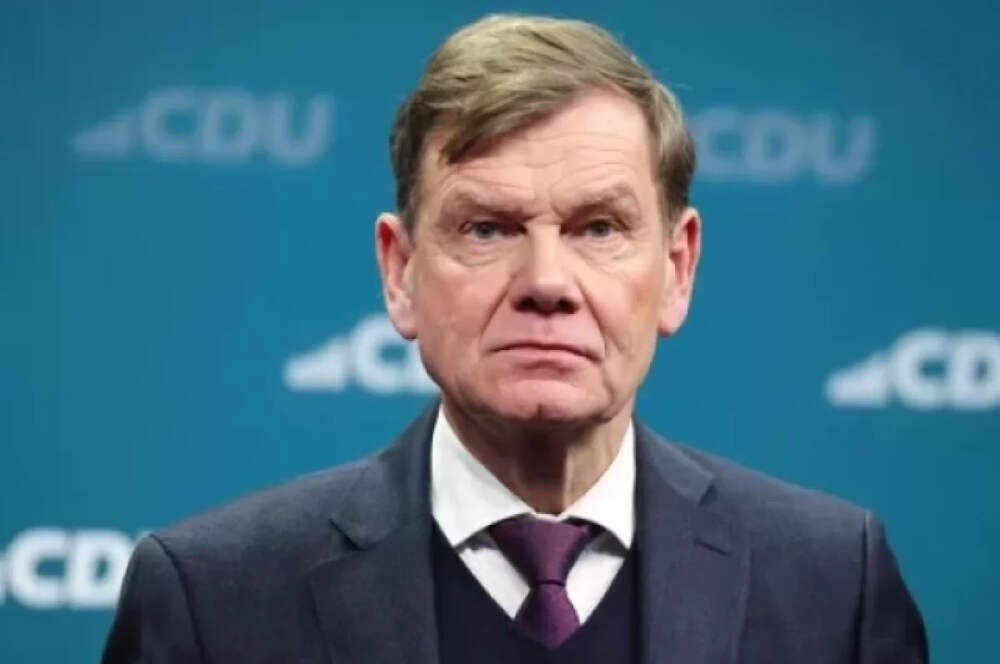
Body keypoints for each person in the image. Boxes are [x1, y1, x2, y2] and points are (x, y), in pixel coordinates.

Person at [101, 14, 927, 664]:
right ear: (400, 271)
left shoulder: (834, 587)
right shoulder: (211, 599)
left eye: (598, 228)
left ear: (677, 269)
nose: (546, 282)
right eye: (487, 228)